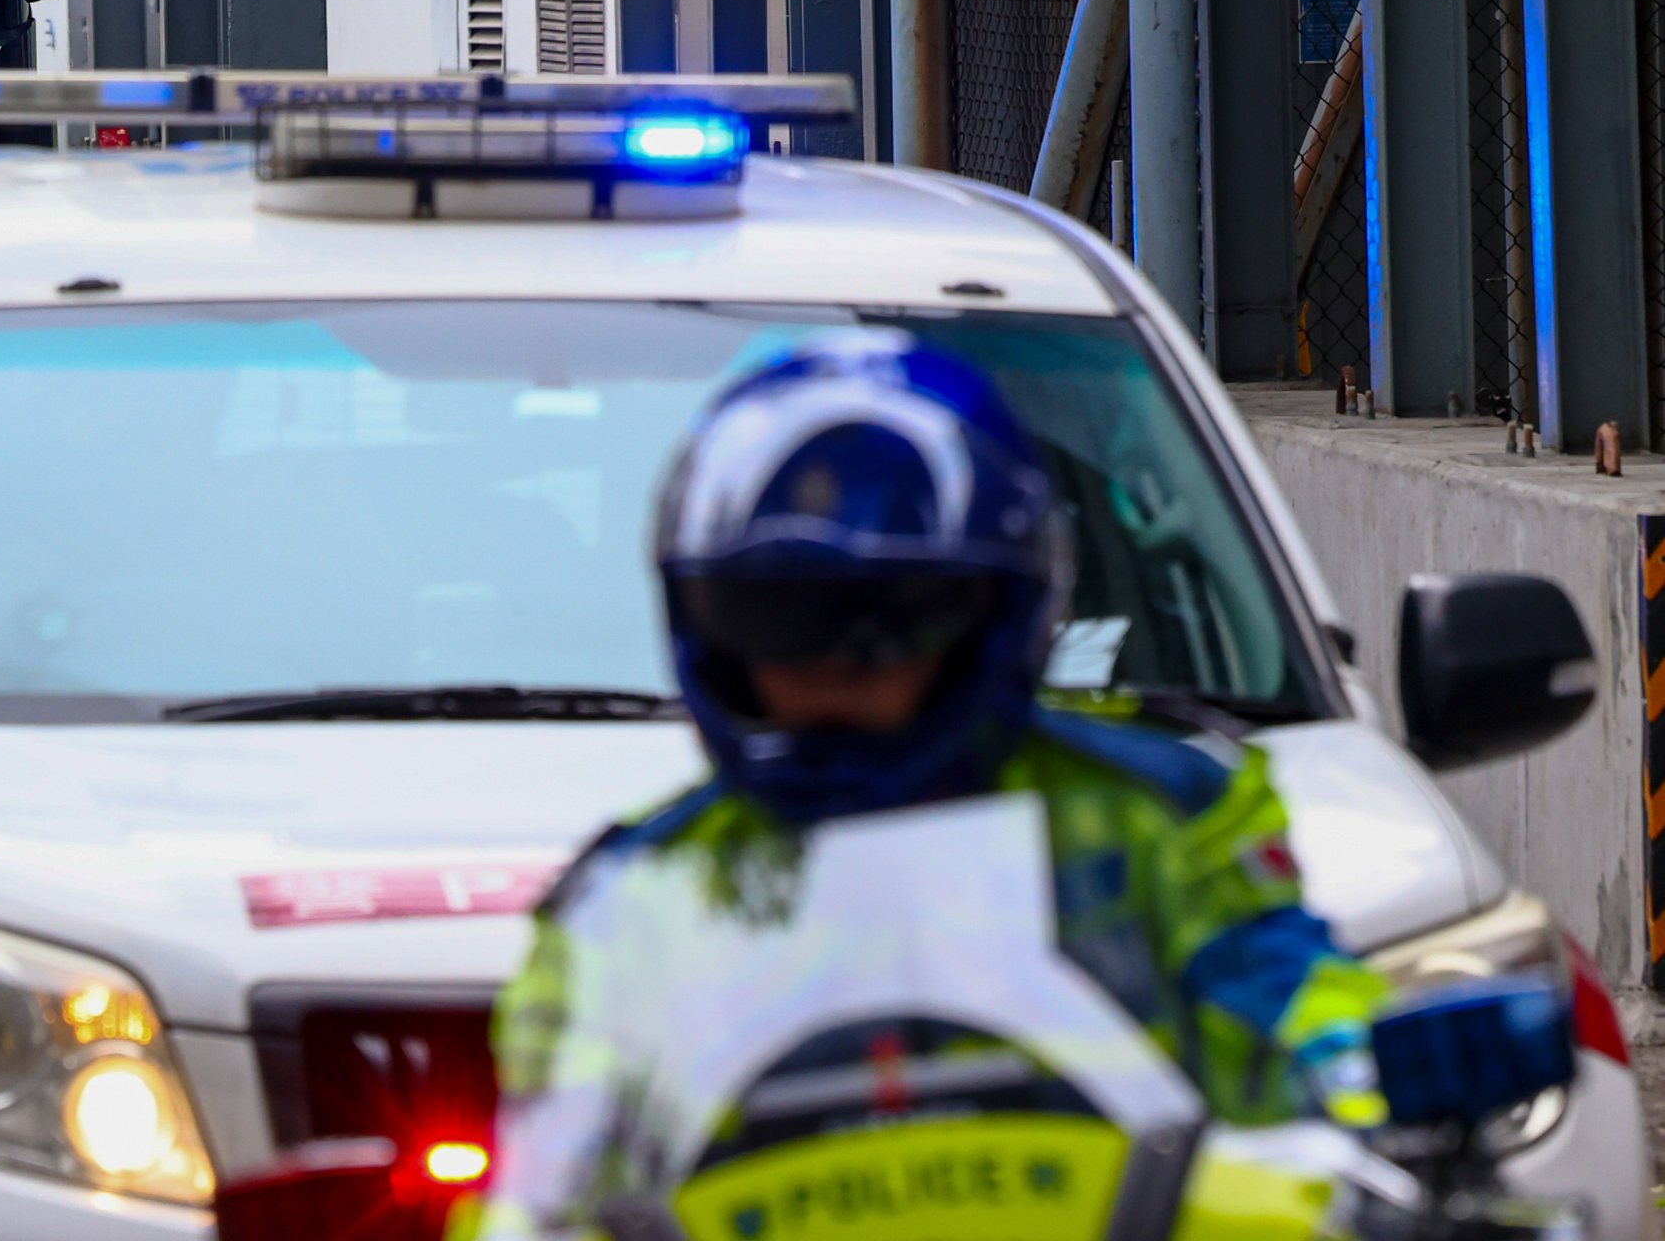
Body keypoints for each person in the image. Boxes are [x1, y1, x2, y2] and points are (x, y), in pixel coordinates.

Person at [475, 337, 1386, 1241]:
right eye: (774, 617)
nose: (828, 665)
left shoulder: (1160, 815)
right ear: (702, 625)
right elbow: (553, 1173)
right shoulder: (630, 896)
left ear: (995, 614)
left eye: (888, 621)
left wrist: (1376, 1090)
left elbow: (1303, 1015)